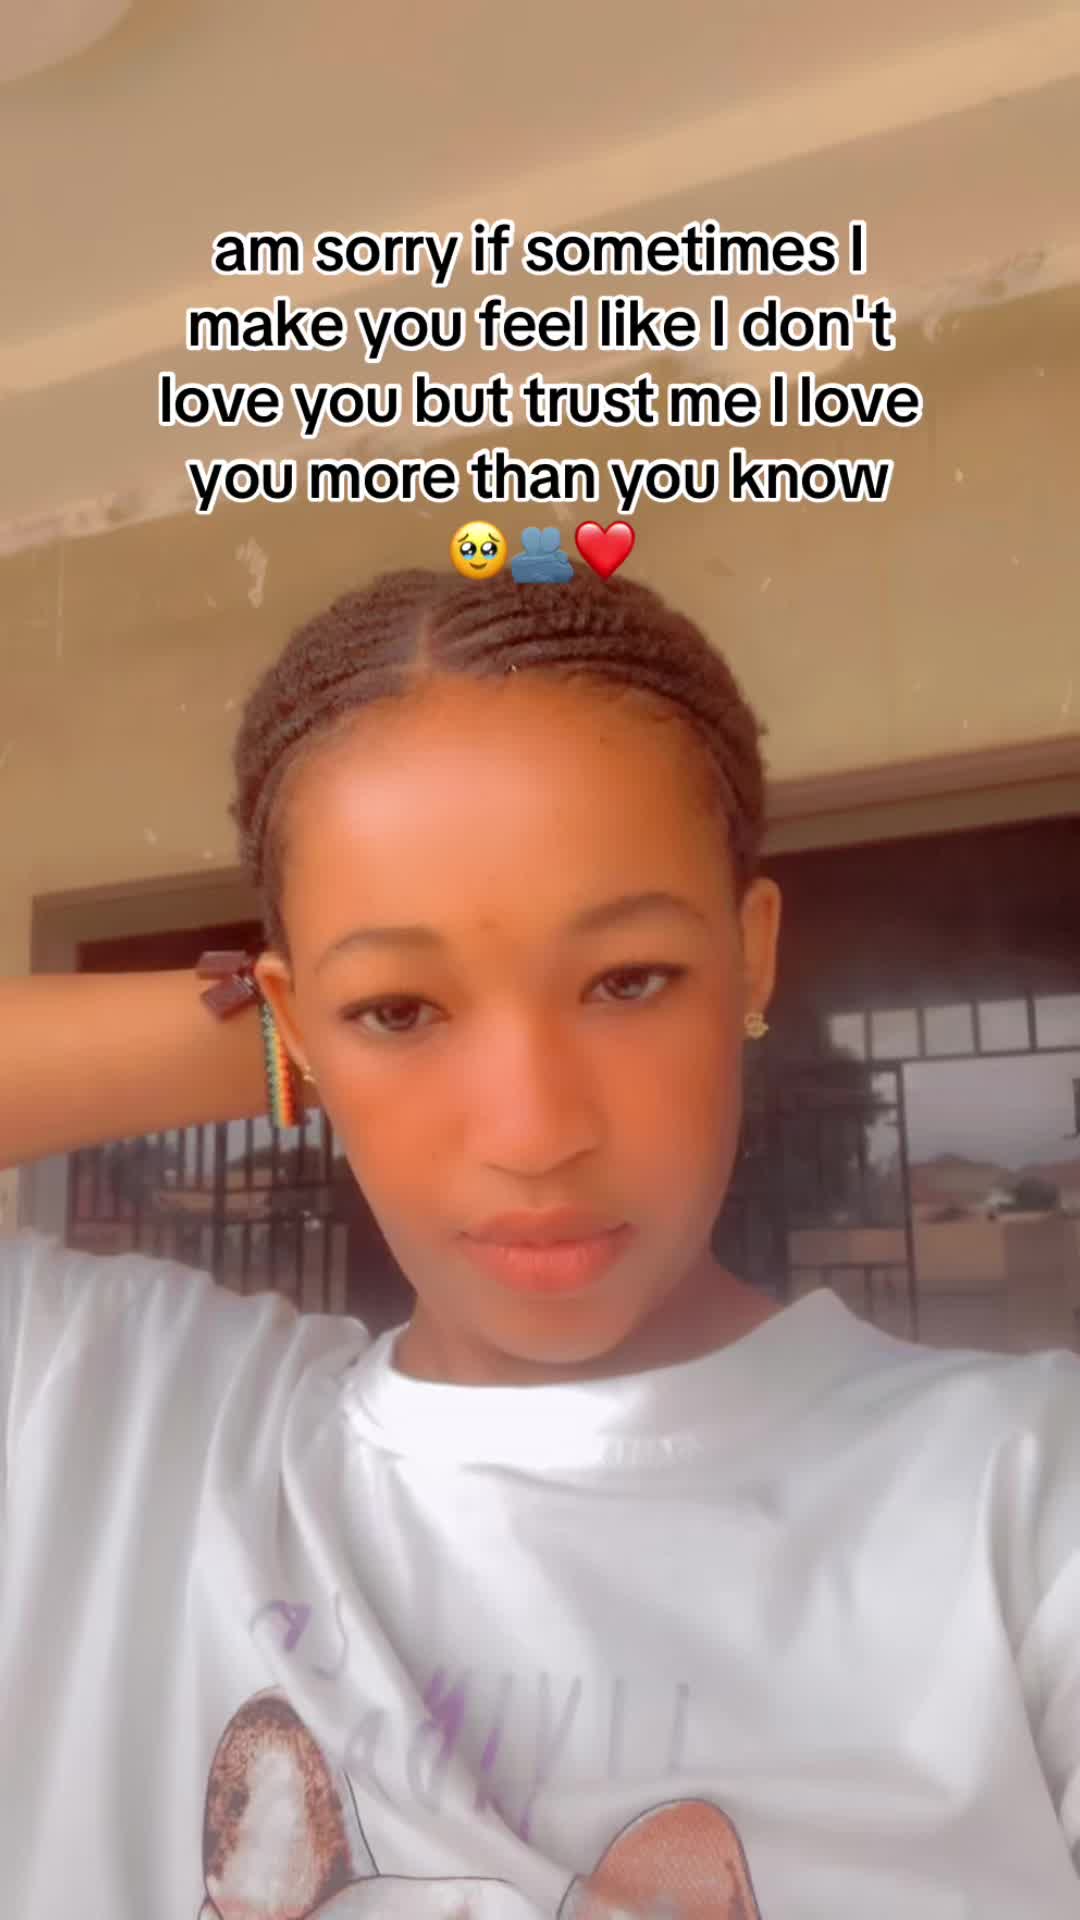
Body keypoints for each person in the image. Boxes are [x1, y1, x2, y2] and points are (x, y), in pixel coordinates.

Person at [0, 567, 1076, 1919]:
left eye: (629, 979)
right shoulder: (107, 1421)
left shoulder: (1027, 1506)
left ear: (750, 955)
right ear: (295, 1020)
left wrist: (372, 1000)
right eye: (399, 1010)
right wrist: (310, 1027)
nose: (533, 1133)